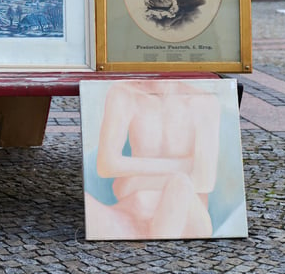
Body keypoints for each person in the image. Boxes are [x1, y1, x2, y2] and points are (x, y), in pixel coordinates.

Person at [84, 80, 221, 239]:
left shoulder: (203, 102)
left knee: (180, 184)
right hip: (133, 211)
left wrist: (132, 181)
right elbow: (106, 165)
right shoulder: (124, 93)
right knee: (89, 206)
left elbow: (203, 181)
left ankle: (161, 251)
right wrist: (180, 165)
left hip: (186, 216)